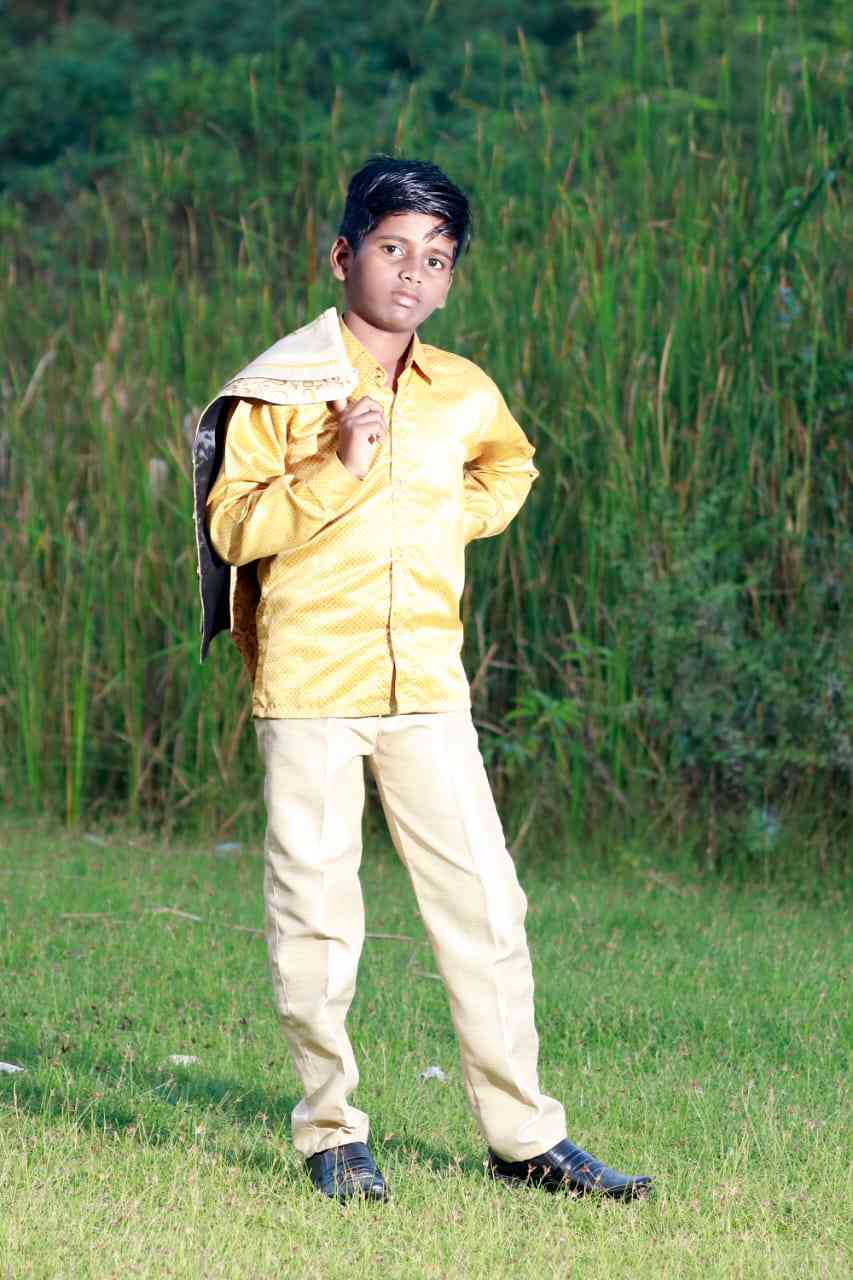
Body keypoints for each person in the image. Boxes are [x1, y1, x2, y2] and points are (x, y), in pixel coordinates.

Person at [198, 156, 652, 1203]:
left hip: (429, 688)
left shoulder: (463, 389)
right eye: (392, 248)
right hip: (312, 684)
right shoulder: (284, 388)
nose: (411, 273)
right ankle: (330, 1133)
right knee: (318, 916)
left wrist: (453, 514)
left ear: (449, 279)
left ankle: (524, 1139)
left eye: (436, 259)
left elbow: (510, 465)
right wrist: (335, 467)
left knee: (486, 905)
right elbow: (231, 529)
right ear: (342, 255)